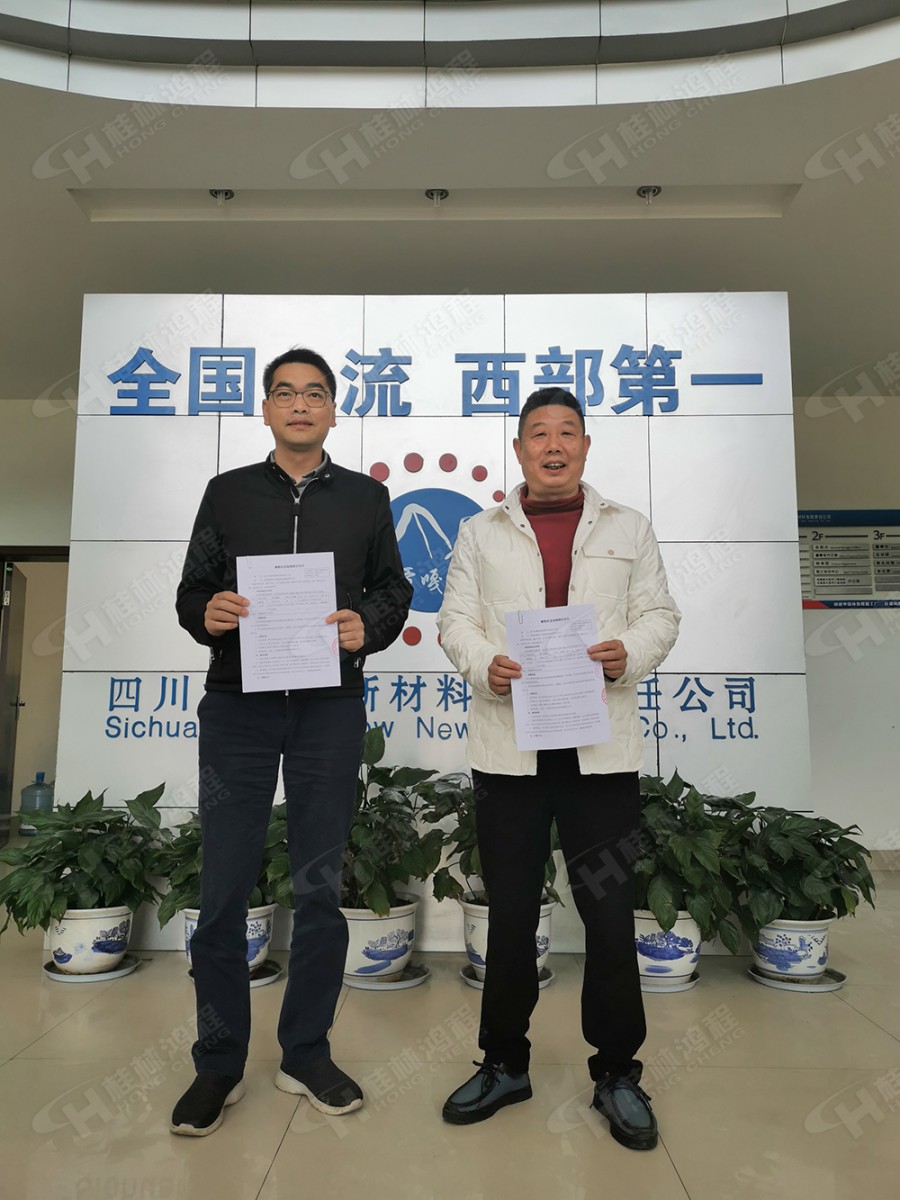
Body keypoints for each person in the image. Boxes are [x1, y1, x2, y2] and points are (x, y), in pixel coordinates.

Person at [172, 347, 412, 1136]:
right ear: (266, 409)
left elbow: (395, 588)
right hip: (238, 706)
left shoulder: (367, 498)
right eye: (285, 393)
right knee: (222, 891)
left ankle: (305, 1052)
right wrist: (205, 613)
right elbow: (192, 591)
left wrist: (367, 623)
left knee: (318, 888)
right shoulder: (227, 492)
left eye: (315, 393)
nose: (300, 404)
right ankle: (218, 1062)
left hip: (327, 708)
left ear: (334, 411)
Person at [436, 387, 680, 1151]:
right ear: (518, 450)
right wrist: (485, 663)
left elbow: (660, 616)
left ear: (585, 446)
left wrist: (627, 652)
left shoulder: (628, 528)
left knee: (608, 915)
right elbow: (454, 620)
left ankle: (617, 1073)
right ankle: (505, 1063)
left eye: (566, 432)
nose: (552, 445)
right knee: (511, 913)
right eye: (537, 433)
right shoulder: (479, 532)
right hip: (509, 753)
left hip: (599, 754)